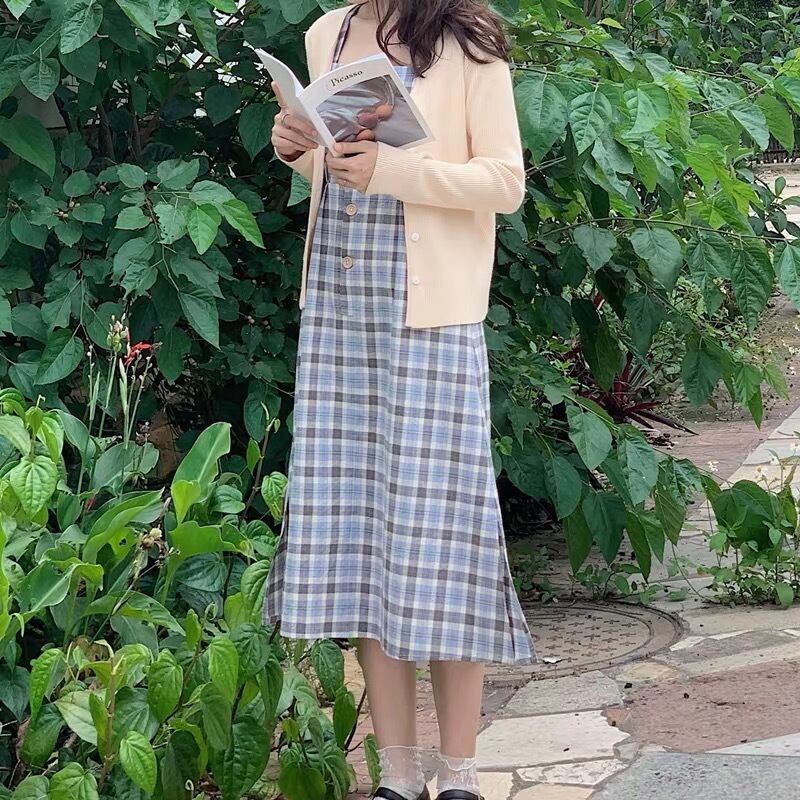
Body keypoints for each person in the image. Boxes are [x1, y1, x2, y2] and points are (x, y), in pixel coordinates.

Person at [264, 1, 535, 798]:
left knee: (446, 540)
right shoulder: (328, 32)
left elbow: (505, 183)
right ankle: (399, 774)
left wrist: (394, 171)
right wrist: (298, 149)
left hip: (432, 319)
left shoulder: (468, 41)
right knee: (363, 543)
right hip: (341, 315)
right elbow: (337, 168)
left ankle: (460, 774)